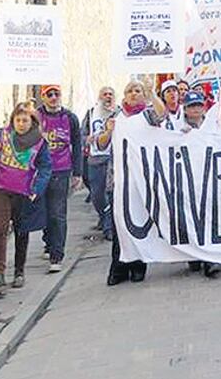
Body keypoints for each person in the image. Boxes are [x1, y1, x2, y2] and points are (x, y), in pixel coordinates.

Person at [0, 103, 53, 295]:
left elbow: (46, 167)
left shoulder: (39, 142)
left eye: (25, 120)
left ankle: (19, 271)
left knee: (22, 231)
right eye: (18, 120)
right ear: (12, 120)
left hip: (23, 192)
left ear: (32, 122)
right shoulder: (2, 134)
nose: (21, 124)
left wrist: (37, 189)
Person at [100, 79, 165, 286]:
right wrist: (108, 131)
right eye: (130, 91)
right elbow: (101, 144)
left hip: (141, 179)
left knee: (137, 220)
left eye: (137, 90)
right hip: (118, 178)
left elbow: (162, 114)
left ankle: (138, 265)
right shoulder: (116, 117)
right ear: (124, 96)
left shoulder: (147, 114)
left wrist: (152, 94)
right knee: (120, 223)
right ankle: (118, 268)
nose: (134, 94)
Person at [36, 84, 83, 273]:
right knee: (42, 211)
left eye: (57, 94)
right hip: (39, 171)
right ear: (43, 97)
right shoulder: (36, 116)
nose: (54, 97)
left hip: (61, 170)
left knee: (57, 213)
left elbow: (77, 145)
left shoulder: (70, 118)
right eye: (50, 94)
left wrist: (78, 173)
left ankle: (57, 255)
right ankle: (48, 242)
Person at [175, 90, 221, 279]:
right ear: (185, 109)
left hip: (209, 176)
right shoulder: (177, 127)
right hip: (187, 179)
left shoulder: (212, 125)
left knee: (209, 218)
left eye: (199, 105)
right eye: (191, 106)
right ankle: (194, 255)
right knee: (190, 218)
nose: (195, 109)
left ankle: (210, 259)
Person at [84, 87, 117, 240]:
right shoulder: (92, 113)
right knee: (97, 195)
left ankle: (108, 226)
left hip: (113, 158)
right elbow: (82, 132)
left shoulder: (119, 112)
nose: (108, 97)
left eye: (110, 94)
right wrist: (86, 139)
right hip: (96, 159)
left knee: (111, 194)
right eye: (105, 94)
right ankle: (103, 217)